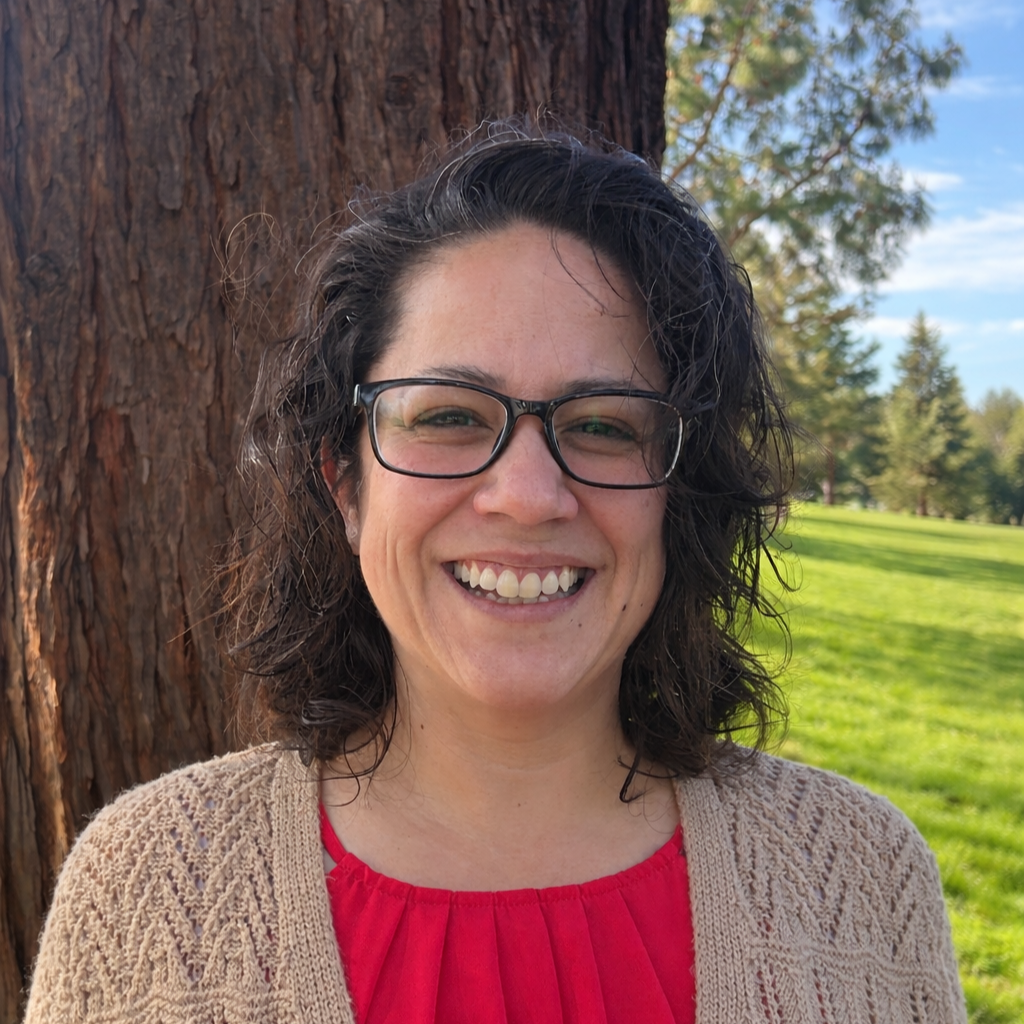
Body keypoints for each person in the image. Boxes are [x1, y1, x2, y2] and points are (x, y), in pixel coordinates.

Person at [24, 123, 966, 1024]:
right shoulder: (143, 894)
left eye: (604, 424)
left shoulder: (862, 878)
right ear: (345, 485)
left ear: (679, 495)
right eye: (447, 416)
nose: (527, 496)